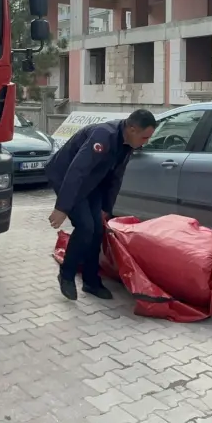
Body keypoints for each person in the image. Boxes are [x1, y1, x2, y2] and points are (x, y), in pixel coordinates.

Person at [46, 110, 157, 301]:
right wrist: (62, 207)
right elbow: (77, 170)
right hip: (67, 177)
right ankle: (66, 274)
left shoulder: (128, 143)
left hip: (92, 181)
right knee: (85, 227)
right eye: (144, 137)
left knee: (98, 228)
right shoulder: (103, 136)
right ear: (131, 129)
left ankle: (91, 281)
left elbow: (116, 177)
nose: (145, 142)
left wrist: (106, 208)